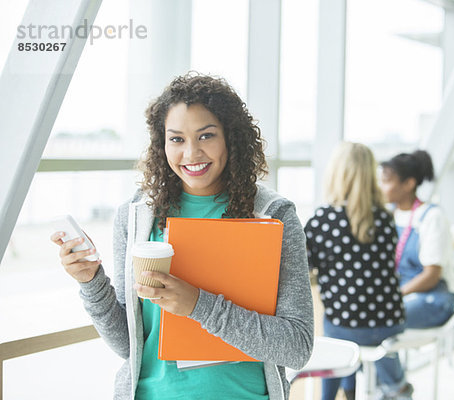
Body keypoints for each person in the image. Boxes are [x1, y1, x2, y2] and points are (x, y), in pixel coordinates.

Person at [50, 72, 314, 400]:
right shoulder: (136, 216)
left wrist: (197, 305)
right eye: (176, 139)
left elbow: (297, 347)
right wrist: (91, 281)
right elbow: (127, 344)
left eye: (206, 136)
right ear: (162, 144)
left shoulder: (273, 215)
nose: (191, 153)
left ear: (231, 138)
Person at [305, 142, 412, 400]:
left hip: (345, 326)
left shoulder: (322, 219)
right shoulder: (386, 218)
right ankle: (393, 388)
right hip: (388, 322)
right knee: (367, 339)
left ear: (336, 174)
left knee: (336, 334)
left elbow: (303, 269)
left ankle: (333, 394)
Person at [380, 150, 454, 329]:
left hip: (433, 297)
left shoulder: (432, 217)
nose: (381, 187)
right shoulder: (389, 215)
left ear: (409, 184)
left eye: (386, 181)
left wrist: (395, 296)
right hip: (400, 294)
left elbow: (431, 276)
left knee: (382, 319)